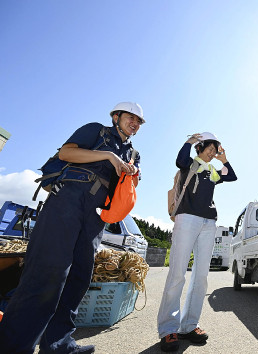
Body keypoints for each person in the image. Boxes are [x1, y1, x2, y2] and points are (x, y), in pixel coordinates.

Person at [0, 102, 144, 353]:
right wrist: (108, 155)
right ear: (116, 117)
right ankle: (12, 346)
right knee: (47, 272)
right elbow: (67, 153)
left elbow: (128, 187)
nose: (134, 123)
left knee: (78, 277)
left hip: (97, 213)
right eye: (130, 117)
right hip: (67, 200)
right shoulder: (96, 131)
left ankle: (58, 345)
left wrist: (131, 173)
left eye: (138, 121)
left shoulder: (134, 153)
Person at [157, 132, 237, 352]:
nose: (212, 154)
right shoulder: (190, 164)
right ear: (200, 148)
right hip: (187, 218)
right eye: (209, 150)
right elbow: (179, 160)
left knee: (201, 276)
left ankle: (189, 325)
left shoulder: (212, 170)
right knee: (177, 273)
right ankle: (168, 329)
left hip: (208, 222)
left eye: (214, 150)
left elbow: (231, 177)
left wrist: (223, 159)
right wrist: (189, 141)